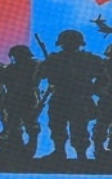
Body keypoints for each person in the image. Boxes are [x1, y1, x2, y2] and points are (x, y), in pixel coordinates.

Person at [40, 29, 102, 160]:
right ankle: (60, 151)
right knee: (57, 126)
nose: (69, 46)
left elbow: (103, 77)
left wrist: (93, 89)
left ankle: (81, 154)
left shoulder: (89, 59)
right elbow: (39, 75)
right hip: (61, 97)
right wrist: (47, 68)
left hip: (79, 97)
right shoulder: (54, 59)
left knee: (79, 128)